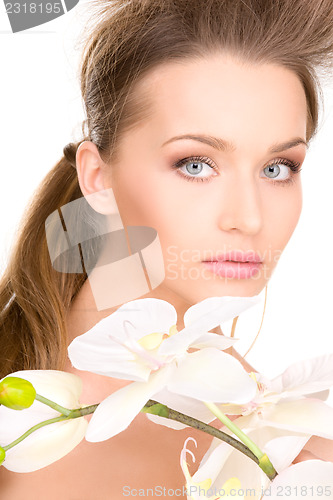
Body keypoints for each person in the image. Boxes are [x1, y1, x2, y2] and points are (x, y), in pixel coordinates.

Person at [1, 0, 333, 497]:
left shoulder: (302, 444)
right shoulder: (35, 439)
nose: (248, 218)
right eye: (195, 164)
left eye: (277, 168)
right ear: (98, 176)